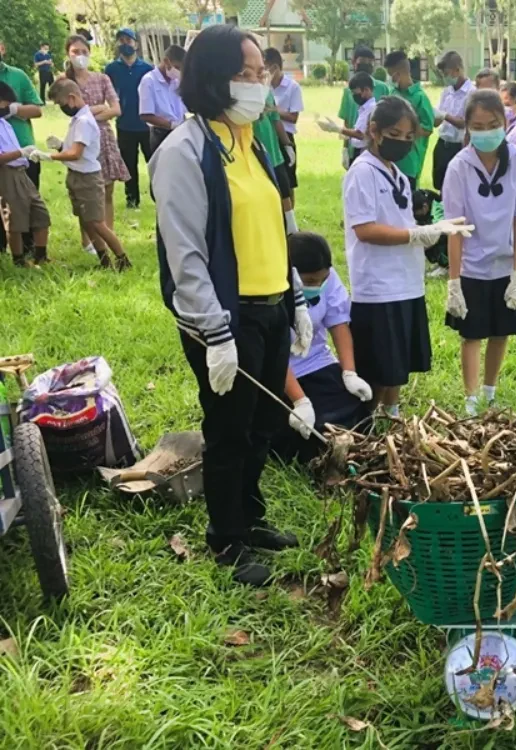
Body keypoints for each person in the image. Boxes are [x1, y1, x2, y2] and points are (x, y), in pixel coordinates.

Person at [149, 25, 313, 587]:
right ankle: (226, 538)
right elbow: (186, 252)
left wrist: (296, 298)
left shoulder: (250, 140)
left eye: (259, 73)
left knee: (265, 422)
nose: (257, 83)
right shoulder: (183, 151)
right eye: (244, 74)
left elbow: (275, 225)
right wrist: (215, 333)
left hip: (270, 305)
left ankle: (250, 515)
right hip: (227, 316)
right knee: (229, 427)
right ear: (214, 79)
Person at [342, 96, 473, 417]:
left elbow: (403, 223)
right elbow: (366, 229)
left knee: (398, 358)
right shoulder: (362, 173)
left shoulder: (398, 175)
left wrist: (431, 229)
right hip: (377, 285)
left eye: (408, 137)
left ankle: (393, 412)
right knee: (378, 363)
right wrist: (416, 235)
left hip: (406, 281)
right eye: (395, 134)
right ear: (374, 131)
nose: (402, 142)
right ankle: (366, 420)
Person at [443, 90, 516, 415]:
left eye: (494, 123)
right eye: (478, 126)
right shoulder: (458, 167)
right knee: (471, 335)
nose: (487, 131)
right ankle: (471, 400)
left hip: (505, 265)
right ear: (468, 127)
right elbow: (456, 228)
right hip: (472, 267)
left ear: (506, 120)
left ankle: (490, 391)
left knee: (501, 331)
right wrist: (454, 282)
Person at [275, 232, 374, 461]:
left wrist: (349, 373)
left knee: (357, 413)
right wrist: (300, 401)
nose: (317, 286)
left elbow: (338, 323)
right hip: (280, 373)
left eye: (323, 279)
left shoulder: (328, 278)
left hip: (318, 361)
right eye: (309, 282)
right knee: (312, 431)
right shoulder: (271, 290)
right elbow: (273, 353)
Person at [34, 79, 131, 271]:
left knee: (97, 223)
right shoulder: (78, 119)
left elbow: (76, 153)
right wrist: (60, 145)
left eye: (61, 104)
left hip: (88, 178)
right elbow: (73, 149)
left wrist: (48, 156)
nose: (62, 108)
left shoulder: (85, 121)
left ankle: (122, 259)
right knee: (87, 222)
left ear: (71, 98)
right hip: (76, 175)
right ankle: (104, 261)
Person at [63, 35, 130, 248]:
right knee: (85, 192)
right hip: (81, 139)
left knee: (106, 190)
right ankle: (88, 241)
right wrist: (97, 110)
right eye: (75, 52)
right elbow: (68, 111)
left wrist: (88, 114)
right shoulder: (65, 83)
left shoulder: (102, 79)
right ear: (68, 54)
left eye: (84, 51)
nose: (80, 56)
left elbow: (116, 109)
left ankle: (107, 235)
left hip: (104, 138)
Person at [0, 38, 44, 255]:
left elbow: (37, 109)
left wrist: (15, 110)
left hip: (23, 148)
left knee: (27, 201)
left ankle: (29, 248)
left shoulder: (18, 75)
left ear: (3, 48)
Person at [0, 82, 50, 266]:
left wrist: (27, 154)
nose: (6, 108)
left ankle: (41, 256)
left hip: (22, 170)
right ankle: (18, 259)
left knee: (40, 213)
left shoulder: (5, 124)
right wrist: (20, 152)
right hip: (7, 173)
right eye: (5, 104)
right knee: (15, 218)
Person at [105, 28, 154, 209]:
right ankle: (132, 200)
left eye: (129, 40)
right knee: (129, 164)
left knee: (153, 162)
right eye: (122, 40)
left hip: (148, 124)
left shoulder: (147, 68)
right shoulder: (111, 69)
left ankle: (158, 195)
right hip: (124, 124)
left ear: (136, 43)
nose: (126, 43)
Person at [384, 51, 435, 191]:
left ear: (399, 73)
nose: (390, 79)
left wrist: (405, 130)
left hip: (409, 161)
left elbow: (428, 128)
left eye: (391, 74)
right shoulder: (392, 93)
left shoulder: (420, 98)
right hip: (390, 160)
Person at [336, 46, 392, 164]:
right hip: (355, 146)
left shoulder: (382, 88)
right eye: (362, 62)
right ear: (354, 62)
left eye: (369, 63)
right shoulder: (349, 92)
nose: (366, 66)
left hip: (375, 148)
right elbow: (347, 120)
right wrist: (345, 147)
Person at [254, 87, 298, 232]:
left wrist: (287, 144)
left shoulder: (266, 91)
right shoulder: (241, 94)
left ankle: (291, 230)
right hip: (255, 155)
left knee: (285, 193)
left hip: (274, 152)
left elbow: (276, 120)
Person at [264, 48, 302, 206]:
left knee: (288, 180)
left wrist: (274, 111)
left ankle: (290, 218)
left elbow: (293, 117)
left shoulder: (292, 87)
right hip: (268, 137)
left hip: (285, 135)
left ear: (275, 68)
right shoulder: (264, 87)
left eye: (265, 68)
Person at [433, 51, 474, 192]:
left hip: (458, 146)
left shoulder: (471, 93)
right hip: (442, 143)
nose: (445, 78)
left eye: (446, 73)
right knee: (440, 185)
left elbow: (466, 123)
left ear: (457, 70)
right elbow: (437, 120)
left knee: (456, 188)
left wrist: (445, 116)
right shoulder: (447, 92)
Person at [139, 45, 187, 152]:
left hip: (180, 131)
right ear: (166, 61)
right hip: (160, 133)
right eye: (177, 67)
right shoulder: (148, 81)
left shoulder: (176, 81)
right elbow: (146, 115)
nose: (178, 72)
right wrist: (171, 125)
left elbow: (182, 107)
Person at [324, 72, 375, 165]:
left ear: (366, 90)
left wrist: (338, 129)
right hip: (359, 151)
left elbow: (360, 135)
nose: (353, 96)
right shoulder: (364, 108)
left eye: (355, 92)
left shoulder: (371, 109)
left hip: (365, 153)